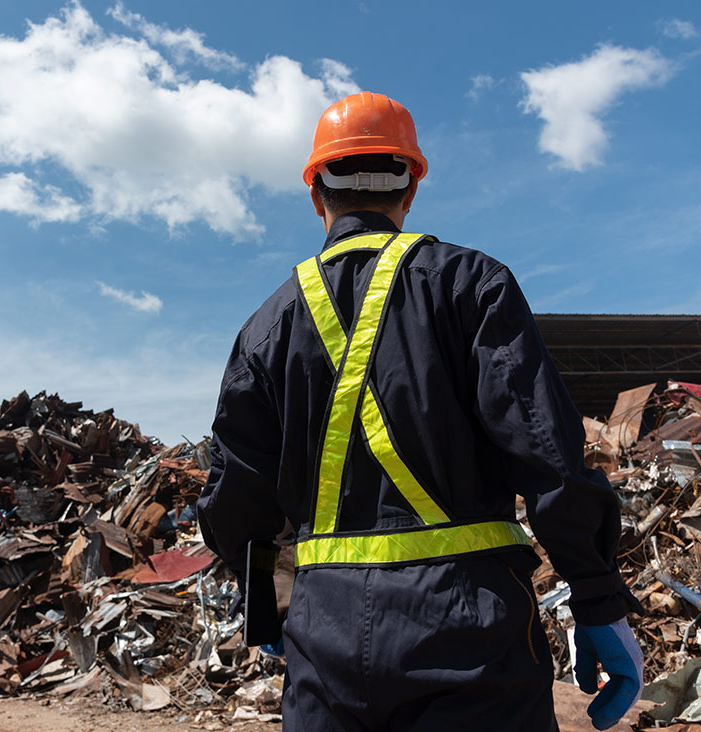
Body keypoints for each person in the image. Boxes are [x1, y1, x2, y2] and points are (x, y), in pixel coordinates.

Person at [197, 92, 644, 731]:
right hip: (470, 634)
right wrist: (598, 601)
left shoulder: (265, 328)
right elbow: (546, 454)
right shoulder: (472, 284)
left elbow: (238, 499)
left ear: (316, 195)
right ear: (410, 190)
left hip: (324, 645)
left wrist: (266, 610)